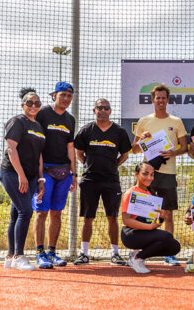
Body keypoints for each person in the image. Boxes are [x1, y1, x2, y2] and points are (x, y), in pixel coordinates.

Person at [132, 83, 188, 266]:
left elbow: (185, 147)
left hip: (168, 173)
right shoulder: (144, 121)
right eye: (158, 98)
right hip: (148, 174)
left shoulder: (176, 121)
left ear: (167, 99)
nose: (161, 101)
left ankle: (169, 253)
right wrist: (142, 139)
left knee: (168, 215)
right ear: (152, 99)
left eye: (164, 98)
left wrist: (173, 153)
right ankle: (139, 252)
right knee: (143, 214)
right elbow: (133, 149)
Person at [73, 99, 132, 265]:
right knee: (87, 217)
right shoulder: (86, 130)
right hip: (89, 180)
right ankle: (84, 254)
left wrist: (113, 165)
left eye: (106, 108)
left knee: (112, 217)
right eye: (100, 108)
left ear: (110, 111)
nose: (103, 110)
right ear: (94, 110)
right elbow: (79, 153)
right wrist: (88, 165)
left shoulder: (119, 132)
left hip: (111, 180)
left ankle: (115, 254)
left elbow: (125, 155)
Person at [33, 82, 77, 269]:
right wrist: (39, 173)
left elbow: (70, 147)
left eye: (69, 96)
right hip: (45, 172)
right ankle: (39, 253)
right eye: (63, 95)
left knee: (56, 213)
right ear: (54, 95)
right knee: (41, 212)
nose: (66, 99)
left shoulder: (70, 119)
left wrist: (74, 173)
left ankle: (51, 252)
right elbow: (37, 144)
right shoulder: (43, 113)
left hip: (64, 172)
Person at [1, 88, 45, 271]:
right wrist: (20, 175)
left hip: (33, 177)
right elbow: (11, 148)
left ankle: (10, 257)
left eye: (37, 103)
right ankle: (19, 256)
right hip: (12, 174)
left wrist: (41, 179)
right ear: (23, 105)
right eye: (29, 103)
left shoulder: (39, 126)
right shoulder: (17, 121)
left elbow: (39, 155)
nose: (33, 106)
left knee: (16, 214)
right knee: (26, 211)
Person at [121, 162, 181, 274]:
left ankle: (137, 255)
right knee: (167, 236)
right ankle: (137, 259)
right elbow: (126, 220)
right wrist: (149, 227)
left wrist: (161, 217)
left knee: (175, 247)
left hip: (144, 231)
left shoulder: (151, 193)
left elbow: (153, 221)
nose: (149, 178)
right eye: (145, 174)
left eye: (152, 174)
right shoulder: (130, 193)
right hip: (130, 234)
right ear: (136, 174)